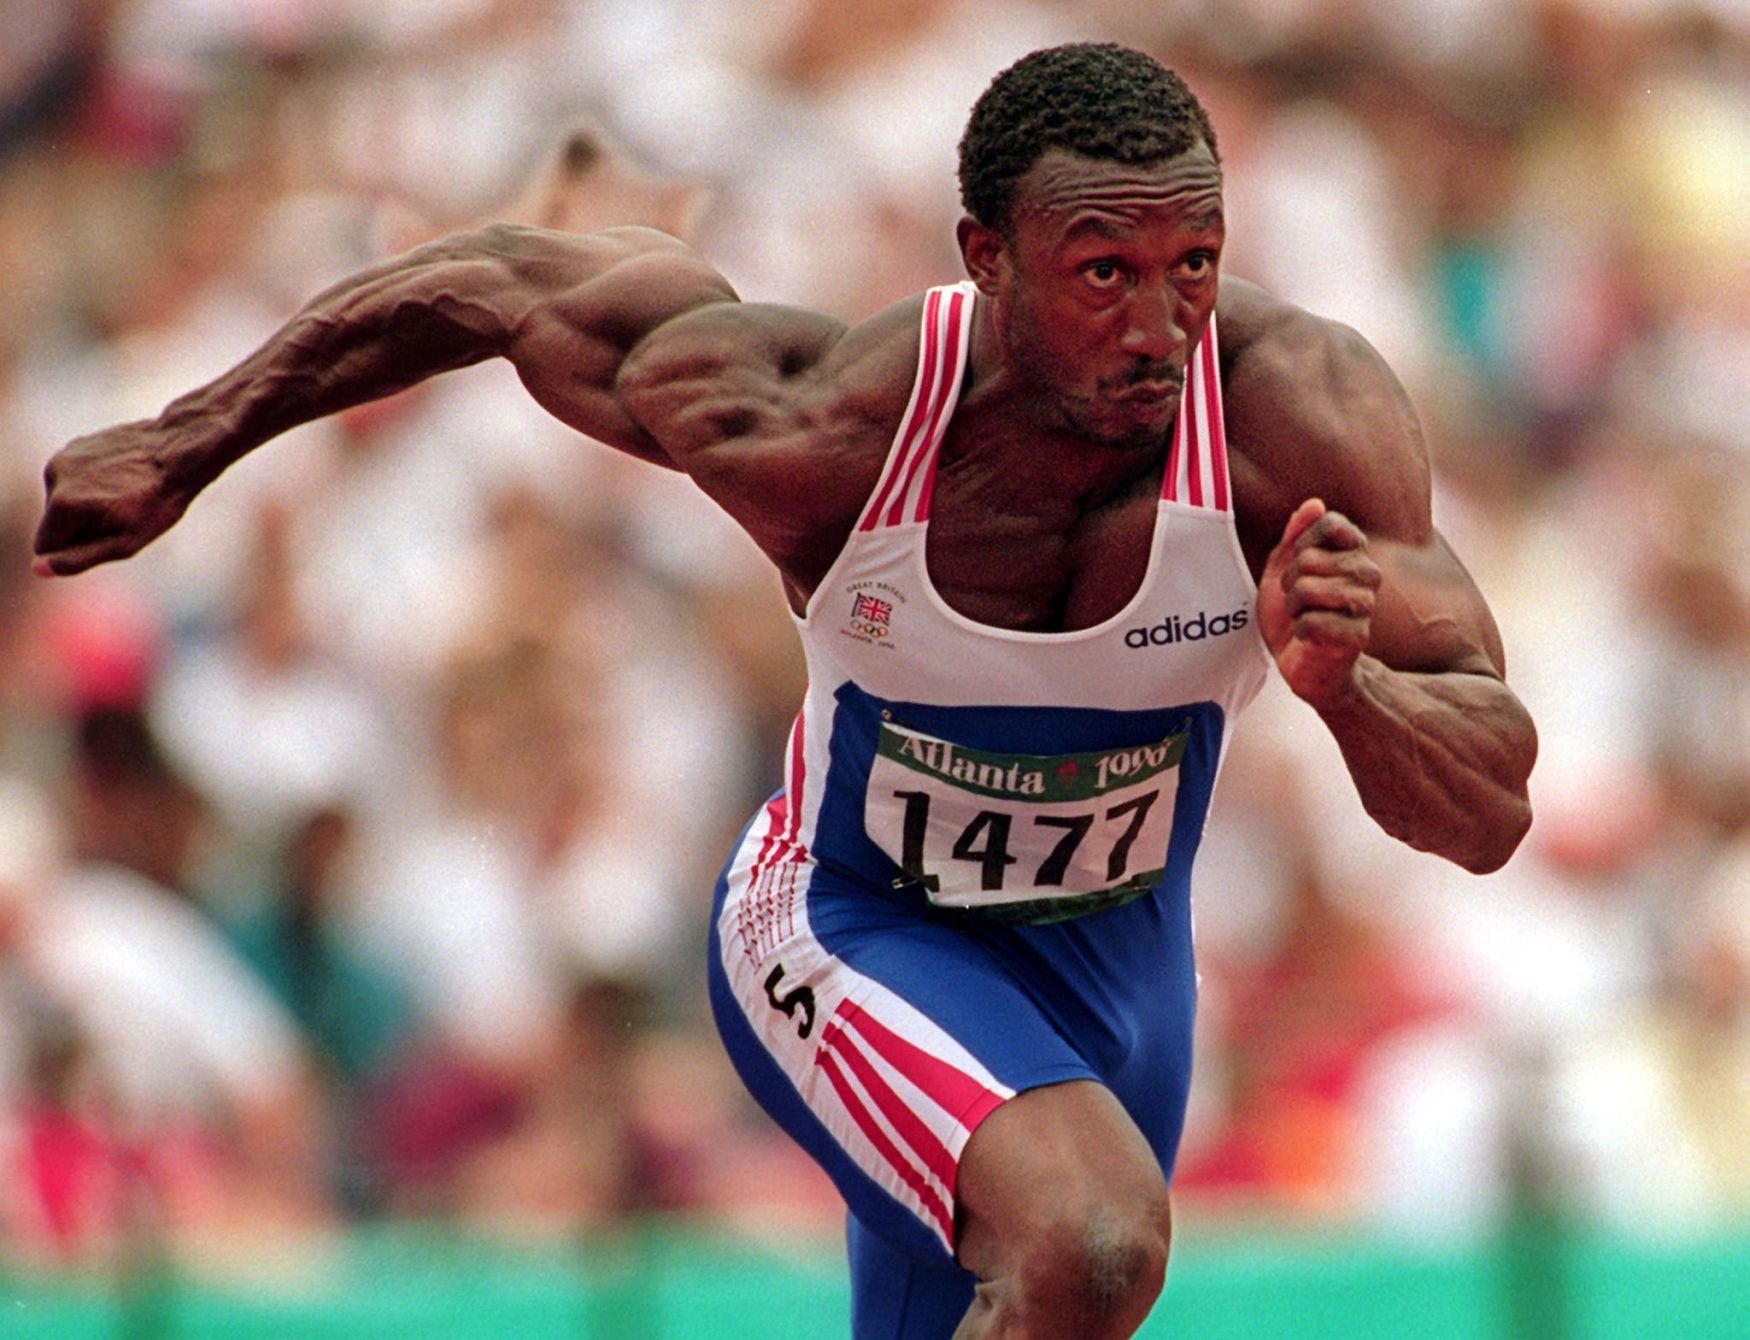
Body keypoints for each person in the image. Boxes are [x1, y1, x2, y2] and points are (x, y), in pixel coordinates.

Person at [33, 42, 1536, 1340]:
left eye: (1191, 267)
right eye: (1102, 274)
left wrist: (1346, 697)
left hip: (1119, 978)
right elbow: (500, 282)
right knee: (1087, 1246)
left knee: (1048, 1282)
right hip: (844, 920)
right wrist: (186, 440)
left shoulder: (1295, 422)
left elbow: (1486, 813)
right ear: (985, 259)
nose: (1157, 330)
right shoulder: (829, 424)